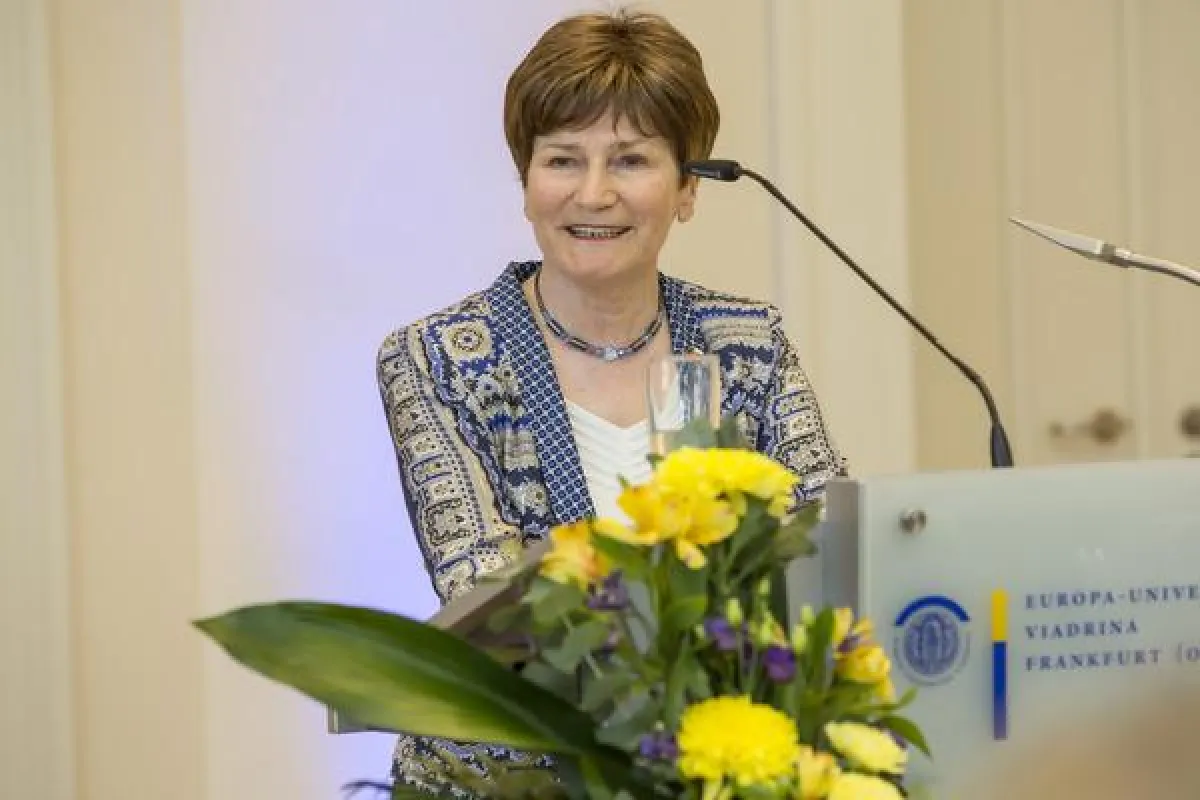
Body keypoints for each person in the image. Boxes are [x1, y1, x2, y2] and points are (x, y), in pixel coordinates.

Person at [376, 8, 845, 795]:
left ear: (688, 187)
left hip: (712, 771)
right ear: (526, 183)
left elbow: (824, 545)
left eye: (630, 160)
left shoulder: (748, 342)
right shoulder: (436, 357)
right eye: (562, 159)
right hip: (506, 781)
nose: (592, 194)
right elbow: (486, 592)